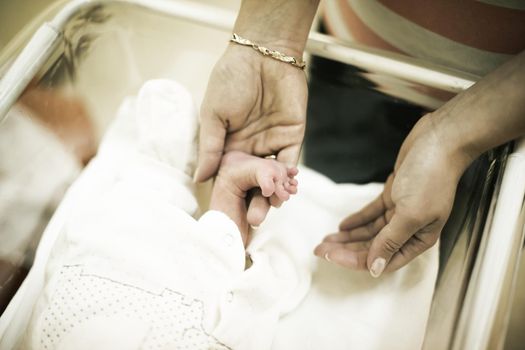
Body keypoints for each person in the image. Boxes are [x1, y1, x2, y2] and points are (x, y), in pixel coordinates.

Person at [196, 0, 525, 278]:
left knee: (449, 258)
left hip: (499, 118)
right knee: (336, 203)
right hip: (351, 60)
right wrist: (270, 39)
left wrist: (456, 137)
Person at [22, 80, 306, 350]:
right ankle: (211, 180)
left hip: (89, 289)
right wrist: (270, 275)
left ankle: (162, 166)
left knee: (120, 221)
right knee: (214, 266)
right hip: (181, 316)